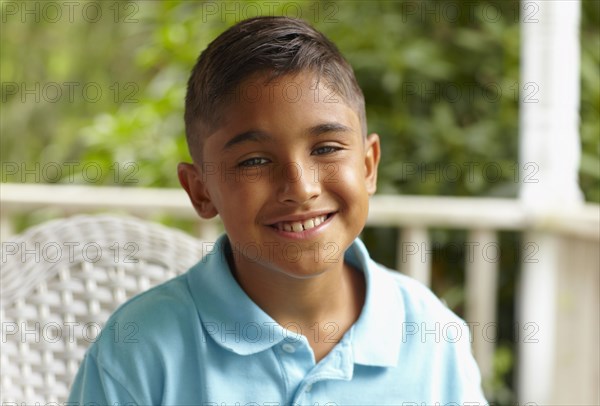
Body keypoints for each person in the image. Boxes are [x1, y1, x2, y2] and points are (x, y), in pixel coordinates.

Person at [69, 16, 487, 405]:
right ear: (200, 191)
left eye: (326, 148)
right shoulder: (138, 349)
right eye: (254, 161)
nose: (301, 189)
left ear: (368, 165)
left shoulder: (432, 336)